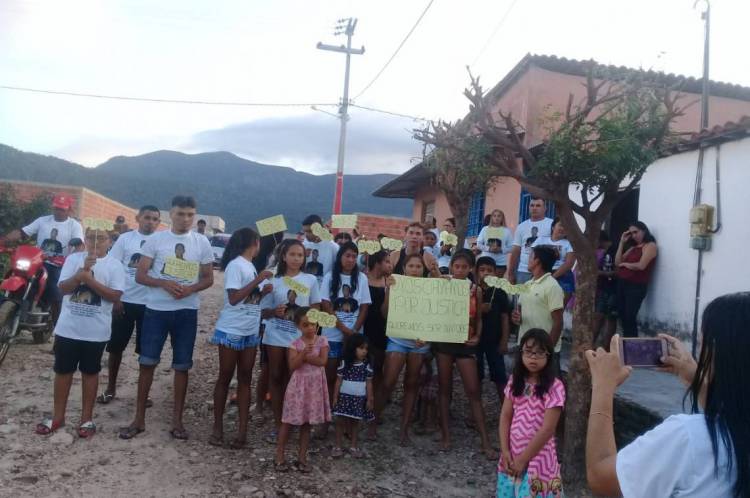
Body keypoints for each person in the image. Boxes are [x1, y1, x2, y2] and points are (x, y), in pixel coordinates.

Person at [586, 293, 750, 498]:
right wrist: (695, 378)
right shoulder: (735, 431)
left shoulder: (688, 437)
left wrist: (602, 387)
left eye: (702, 345)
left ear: (722, 357)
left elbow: (601, 479)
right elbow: (734, 415)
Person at [119, 195, 214, 440]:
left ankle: (177, 422)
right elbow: (140, 275)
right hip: (156, 311)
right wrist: (163, 283)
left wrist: (190, 289)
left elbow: (208, 278)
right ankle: (138, 419)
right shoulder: (157, 240)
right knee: (147, 363)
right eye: (180, 214)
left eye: (190, 214)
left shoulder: (201, 242)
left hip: (186, 312)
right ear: (171, 214)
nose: (185, 219)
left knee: (182, 366)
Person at [35, 228, 125, 438]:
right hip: (68, 329)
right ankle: (58, 416)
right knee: (62, 371)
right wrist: (80, 274)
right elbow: (63, 289)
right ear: (85, 240)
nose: (95, 242)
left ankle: (86, 419)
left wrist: (90, 280)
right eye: (91, 238)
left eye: (101, 238)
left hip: (96, 332)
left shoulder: (115, 265)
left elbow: (115, 296)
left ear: (109, 242)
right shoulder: (74, 259)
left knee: (90, 372)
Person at [208, 228, 274, 449]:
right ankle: (218, 428)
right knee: (225, 376)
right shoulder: (236, 265)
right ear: (254, 243)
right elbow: (234, 298)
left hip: (249, 330)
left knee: (245, 378)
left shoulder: (250, 266)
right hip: (232, 329)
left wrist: (262, 293)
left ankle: (242, 431)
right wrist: (258, 281)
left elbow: (249, 300)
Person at [432, 250, 494, 458]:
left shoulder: (475, 290)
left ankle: (485, 441)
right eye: (456, 266)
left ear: (470, 269)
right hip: (444, 341)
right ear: (451, 266)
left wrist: (477, 336)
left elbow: (479, 319)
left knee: (473, 390)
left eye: (464, 267)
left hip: (465, 343)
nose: (459, 270)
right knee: (444, 388)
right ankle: (445, 436)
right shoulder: (443, 284)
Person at [98, 205, 161, 405]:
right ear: (138, 218)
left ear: (158, 222)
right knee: (115, 347)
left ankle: (144, 393)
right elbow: (113, 267)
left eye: (154, 219)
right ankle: (110, 388)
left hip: (150, 305)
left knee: (146, 351)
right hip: (124, 302)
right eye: (147, 217)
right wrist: (116, 299)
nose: (150, 222)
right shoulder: (125, 239)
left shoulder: (161, 241)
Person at [260, 240, 321, 443]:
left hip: (298, 339)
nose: (296, 258)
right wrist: (273, 312)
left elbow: (316, 307)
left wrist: (310, 327)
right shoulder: (273, 279)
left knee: (294, 379)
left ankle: (293, 422)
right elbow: (262, 311)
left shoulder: (310, 280)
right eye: (292, 254)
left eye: (300, 255)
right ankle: (278, 424)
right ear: (283, 256)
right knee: (276, 376)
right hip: (275, 335)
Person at [497, 329, 566, 497]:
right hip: (512, 452)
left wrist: (523, 459)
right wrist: (505, 450)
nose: (533, 357)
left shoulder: (555, 387)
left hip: (539, 458)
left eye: (540, 353)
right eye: (528, 351)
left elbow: (547, 429)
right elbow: (505, 416)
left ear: (549, 356)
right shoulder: (515, 381)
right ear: (521, 353)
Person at [2, 193, 83, 325]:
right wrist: (4, 240)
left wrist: (71, 258)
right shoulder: (43, 220)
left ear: (69, 210)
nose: (58, 211)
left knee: (55, 290)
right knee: (13, 273)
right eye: (56, 208)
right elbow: (22, 232)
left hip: (58, 264)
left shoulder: (74, 225)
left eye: (62, 209)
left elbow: (79, 246)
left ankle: (58, 327)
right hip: (37, 261)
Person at [378, 253, 431, 445]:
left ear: (423, 270)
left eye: (418, 266)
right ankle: (374, 420)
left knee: (412, 384)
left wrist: (427, 338)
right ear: (404, 268)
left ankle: (404, 429)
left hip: (420, 343)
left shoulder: (432, 288)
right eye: (411, 266)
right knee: (388, 381)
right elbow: (384, 314)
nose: (415, 270)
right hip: (398, 339)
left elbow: (436, 318)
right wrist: (389, 291)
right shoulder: (395, 284)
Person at [274, 307, 331, 473]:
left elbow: (323, 362)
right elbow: (292, 365)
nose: (310, 328)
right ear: (298, 326)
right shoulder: (295, 344)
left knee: (307, 423)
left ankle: (302, 457)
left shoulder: (322, 341)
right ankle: (279, 455)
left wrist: (306, 357)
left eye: (313, 324)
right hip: (298, 387)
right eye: (305, 325)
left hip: (314, 387)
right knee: (288, 421)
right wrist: (303, 354)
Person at [320, 242, 371, 410]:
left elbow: (364, 307)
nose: (351, 260)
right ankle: (327, 412)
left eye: (354, 257)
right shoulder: (329, 277)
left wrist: (353, 332)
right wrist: (343, 329)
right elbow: (326, 304)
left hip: (355, 337)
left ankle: (347, 412)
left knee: (350, 377)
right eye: (347, 255)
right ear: (340, 257)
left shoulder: (362, 278)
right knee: (330, 375)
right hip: (332, 335)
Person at [511, 247, 564, 367]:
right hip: (525, 346)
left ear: (537, 261)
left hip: (544, 350)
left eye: (530, 257)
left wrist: (548, 350)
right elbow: (520, 315)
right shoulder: (527, 284)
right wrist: (516, 318)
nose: (528, 260)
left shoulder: (552, 287)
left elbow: (558, 322)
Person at [363, 250, 392, 438]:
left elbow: (386, 312)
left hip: (381, 332)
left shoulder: (389, 283)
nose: (390, 264)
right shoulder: (362, 280)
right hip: (363, 330)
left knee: (378, 371)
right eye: (387, 261)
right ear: (377, 263)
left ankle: (374, 409)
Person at [332, 334, 375, 458]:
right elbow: (338, 381)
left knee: (356, 422)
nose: (364, 351)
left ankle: (353, 446)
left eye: (366, 349)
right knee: (340, 421)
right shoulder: (344, 363)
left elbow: (369, 383)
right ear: (352, 348)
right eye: (361, 348)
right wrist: (335, 397)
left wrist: (370, 398)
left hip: (359, 399)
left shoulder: (367, 365)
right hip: (344, 397)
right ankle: (338, 445)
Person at [475, 256, 511, 400]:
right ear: (476, 272)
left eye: (489, 270)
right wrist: (480, 309)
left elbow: (505, 317)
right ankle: (476, 407)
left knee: (500, 375)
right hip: (476, 340)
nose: (486, 273)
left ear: (495, 273)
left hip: (495, 340)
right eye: (482, 270)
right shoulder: (472, 290)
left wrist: (504, 341)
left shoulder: (500, 292)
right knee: (476, 375)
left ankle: (505, 407)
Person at [615, 221, 657, 338]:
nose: (634, 235)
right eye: (631, 233)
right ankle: (626, 342)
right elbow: (617, 262)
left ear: (644, 231)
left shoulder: (650, 246)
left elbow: (641, 265)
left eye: (636, 232)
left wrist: (626, 264)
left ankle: (632, 343)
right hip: (623, 283)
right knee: (622, 315)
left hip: (636, 285)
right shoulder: (633, 248)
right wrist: (621, 243)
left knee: (630, 316)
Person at [507, 198, 553, 284]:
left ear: (545, 208)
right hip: (523, 271)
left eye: (538, 205)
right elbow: (516, 251)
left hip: (544, 272)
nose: (534, 208)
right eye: (532, 205)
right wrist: (510, 273)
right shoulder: (521, 226)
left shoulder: (551, 224)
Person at [532, 217, 576, 306]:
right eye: (561, 225)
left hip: (562, 275)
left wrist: (552, 277)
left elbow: (569, 263)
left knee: (558, 307)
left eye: (566, 227)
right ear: (553, 227)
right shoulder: (541, 240)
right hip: (541, 273)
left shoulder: (569, 243)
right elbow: (532, 258)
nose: (563, 228)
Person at [593, 231, 618, 348]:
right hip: (604, 287)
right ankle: (591, 345)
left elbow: (618, 272)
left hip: (615, 288)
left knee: (610, 318)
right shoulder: (604, 252)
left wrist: (600, 273)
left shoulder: (615, 250)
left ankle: (606, 348)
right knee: (598, 316)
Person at [301, 214, 339, 284]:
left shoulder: (333, 247)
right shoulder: (303, 245)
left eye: (310, 231)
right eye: (305, 231)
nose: (306, 234)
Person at [476, 209, 514, 276]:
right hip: (486, 262)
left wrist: (501, 250)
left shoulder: (507, 231)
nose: (496, 218)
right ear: (492, 218)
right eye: (494, 216)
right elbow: (478, 244)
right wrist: (489, 249)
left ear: (502, 218)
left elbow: (512, 247)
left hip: (500, 264)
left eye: (499, 216)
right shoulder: (485, 229)